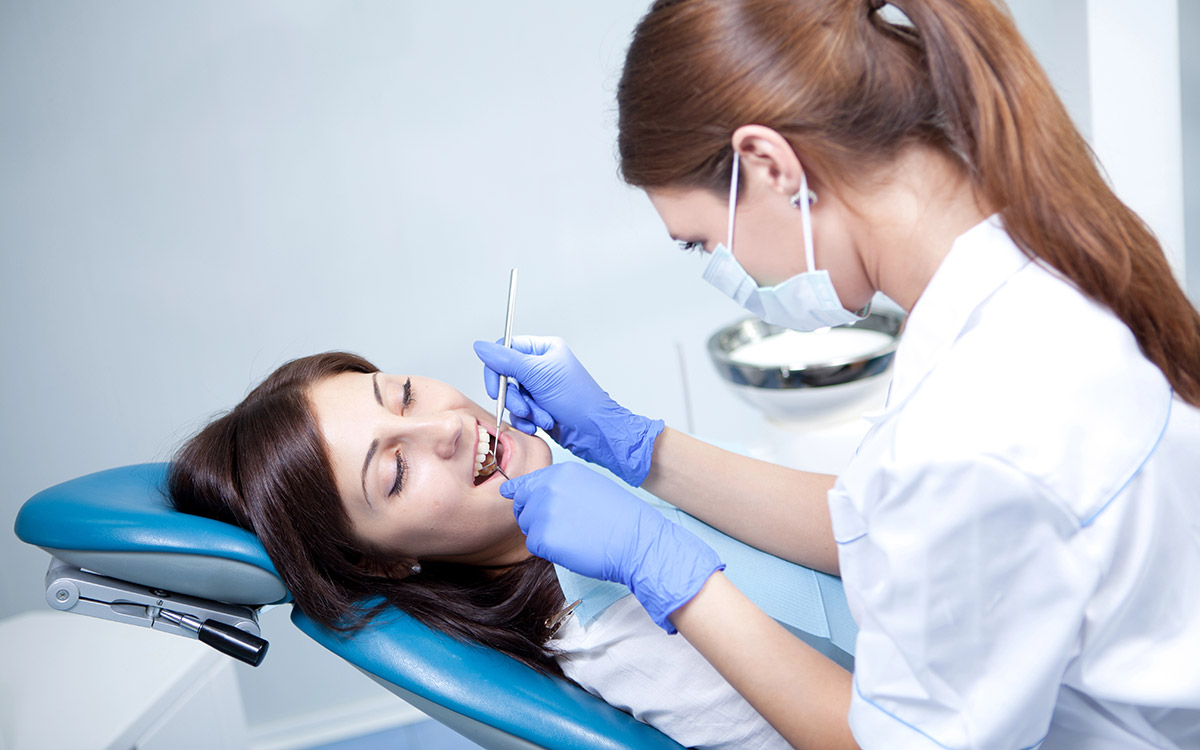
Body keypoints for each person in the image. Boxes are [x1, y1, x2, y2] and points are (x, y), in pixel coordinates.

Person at [472, 1, 1200, 748]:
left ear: (770, 165)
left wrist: (664, 572)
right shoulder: (1023, 260)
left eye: (700, 245)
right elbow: (874, 520)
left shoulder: (973, 425)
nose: (729, 273)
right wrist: (635, 446)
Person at [168, 350, 821, 750]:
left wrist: (637, 446)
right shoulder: (615, 634)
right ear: (385, 562)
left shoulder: (610, 531)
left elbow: (855, 533)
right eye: (394, 474)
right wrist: (663, 566)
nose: (447, 426)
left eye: (403, 395)